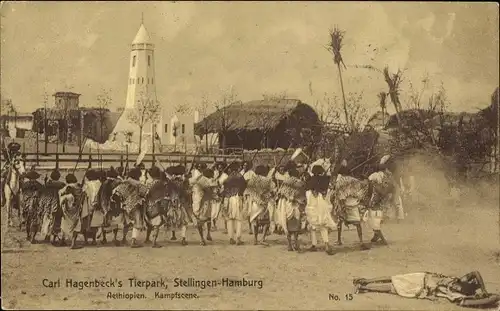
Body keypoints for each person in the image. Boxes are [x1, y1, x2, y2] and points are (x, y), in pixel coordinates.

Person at [353, 271, 500, 308]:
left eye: (458, 288)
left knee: (394, 288)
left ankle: (365, 287)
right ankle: (367, 280)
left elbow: (495, 298)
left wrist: (484, 298)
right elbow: (475, 273)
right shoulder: (461, 281)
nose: (455, 286)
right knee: (395, 277)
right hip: (424, 276)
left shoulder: (458, 297)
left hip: (422, 288)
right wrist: (484, 289)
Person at [332, 160, 371, 250]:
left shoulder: (339, 182)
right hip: (353, 203)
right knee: (357, 224)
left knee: (339, 222)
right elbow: (364, 185)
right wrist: (365, 178)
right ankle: (361, 241)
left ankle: (339, 240)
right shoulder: (353, 180)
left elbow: (337, 194)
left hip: (342, 204)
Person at [111, 167, 148, 248]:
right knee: (137, 222)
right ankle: (133, 241)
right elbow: (145, 193)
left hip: (124, 206)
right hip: (135, 205)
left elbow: (115, 193)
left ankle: (124, 238)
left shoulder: (124, 182)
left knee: (126, 223)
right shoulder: (139, 184)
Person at [305, 165, 336, 255]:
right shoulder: (325, 179)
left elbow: (307, 191)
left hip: (312, 204)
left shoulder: (310, 180)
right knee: (323, 225)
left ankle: (314, 244)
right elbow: (327, 189)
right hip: (322, 204)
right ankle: (326, 244)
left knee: (312, 225)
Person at [276, 163, 306, 252]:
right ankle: (296, 243)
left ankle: (289, 244)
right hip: (296, 205)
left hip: (287, 205)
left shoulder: (286, 182)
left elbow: (279, 194)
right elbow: (303, 197)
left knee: (287, 224)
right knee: (296, 224)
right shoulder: (300, 183)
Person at [246, 165, 276, 246]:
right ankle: (262, 238)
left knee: (255, 221)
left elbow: (248, 191)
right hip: (264, 203)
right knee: (266, 222)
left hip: (255, 203)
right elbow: (273, 190)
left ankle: (255, 239)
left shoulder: (252, 180)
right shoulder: (267, 180)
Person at [144, 166, 170, 248]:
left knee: (150, 224)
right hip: (157, 205)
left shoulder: (149, 183)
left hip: (148, 205)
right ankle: (154, 242)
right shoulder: (160, 183)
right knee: (156, 224)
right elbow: (164, 194)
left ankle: (147, 238)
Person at [98, 167, 124, 246]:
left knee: (105, 221)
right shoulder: (118, 182)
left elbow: (100, 195)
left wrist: (101, 205)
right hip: (115, 205)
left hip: (105, 204)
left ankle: (104, 238)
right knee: (115, 222)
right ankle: (115, 238)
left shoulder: (104, 183)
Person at [222, 162, 247, 245]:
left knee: (230, 219)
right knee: (239, 219)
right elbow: (244, 186)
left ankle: (231, 238)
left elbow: (224, 188)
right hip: (237, 198)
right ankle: (238, 238)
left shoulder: (228, 178)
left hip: (229, 199)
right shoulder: (240, 177)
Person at [39, 169, 66, 245]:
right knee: (57, 221)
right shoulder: (62, 184)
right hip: (58, 205)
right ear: (59, 177)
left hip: (48, 205)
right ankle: (54, 238)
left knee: (47, 220)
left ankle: (47, 236)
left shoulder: (47, 184)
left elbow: (43, 193)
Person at [166, 165, 191, 245]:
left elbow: (167, 193)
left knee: (173, 219)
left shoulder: (170, 183)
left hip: (172, 203)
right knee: (183, 221)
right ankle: (183, 238)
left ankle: (173, 235)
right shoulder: (182, 183)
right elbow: (186, 193)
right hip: (180, 204)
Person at [59, 173, 84, 249]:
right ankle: (73, 243)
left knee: (64, 224)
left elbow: (60, 193)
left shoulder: (66, 188)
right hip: (76, 209)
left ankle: (62, 240)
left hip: (66, 210)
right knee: (76, 226)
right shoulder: (79, 188)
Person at [21, 169, 43, 244]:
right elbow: (41, 194)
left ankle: (28, 236)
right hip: (35, 206)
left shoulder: (25, 185)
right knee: (35, 221)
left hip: (26, 206)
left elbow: (23, 194)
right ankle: (32, 238)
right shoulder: (39, 185)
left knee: (28, 221)